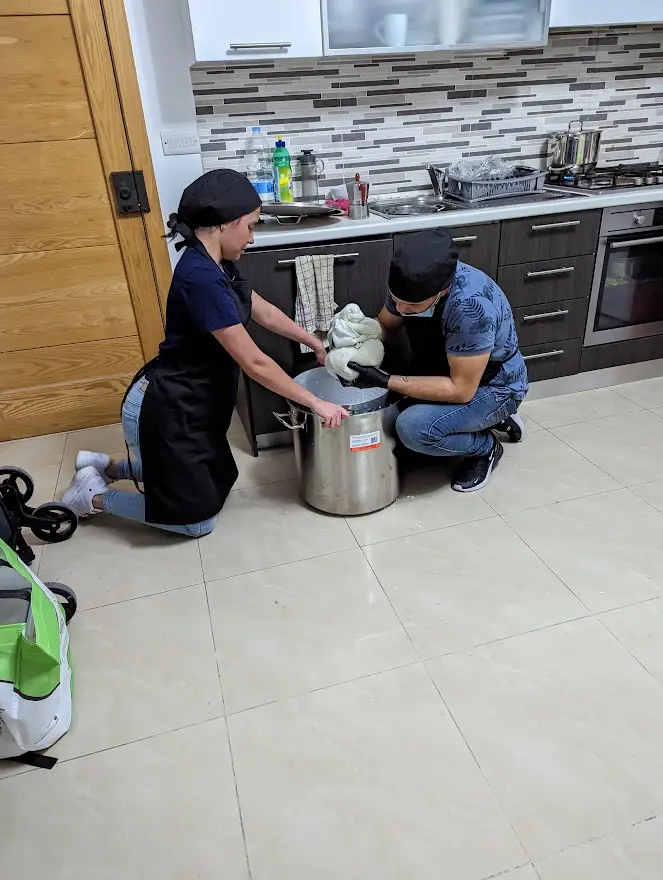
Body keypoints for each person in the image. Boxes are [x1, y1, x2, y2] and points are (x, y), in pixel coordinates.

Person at [61, 169, 349, 536]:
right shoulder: (200, 278)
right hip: (168, 407)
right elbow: (254, 362)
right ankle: (91, 496)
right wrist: (315, 403)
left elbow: (261, 310)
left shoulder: (218, 263)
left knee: (217, 481)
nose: (252, 237)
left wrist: (309, 340)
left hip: (196, 402)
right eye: (250, 226)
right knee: (195, 520)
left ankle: (108, 467)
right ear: (224, 224)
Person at [349, 228, 528, 492]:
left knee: (412, 428)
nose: (400, 309)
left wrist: (386, 380)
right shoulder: (407, 285)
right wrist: (355, 348)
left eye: (411, 306)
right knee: (388, 417)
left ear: (441, 291)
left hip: (492, 385)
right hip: (445, 368)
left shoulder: (470, 307)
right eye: (397, 301)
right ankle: (482, 420)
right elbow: (386, 327)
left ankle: (485, 446)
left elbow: (461, 389)